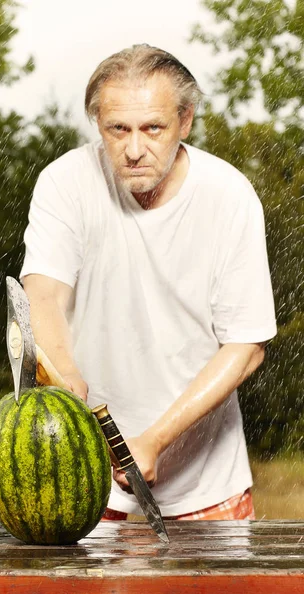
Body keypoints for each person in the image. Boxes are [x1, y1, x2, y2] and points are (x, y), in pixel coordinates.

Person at [20, 44, 277, 521]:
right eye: (118, 129)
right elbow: (42, 293)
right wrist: (64, 376)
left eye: (152, 128)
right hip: (86, 484)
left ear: (185, 120)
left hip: (209, 487)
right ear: (98, 124)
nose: (134, 149)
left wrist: (154, 439)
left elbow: (247, 345)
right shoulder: (63, 183)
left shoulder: (230, 196)